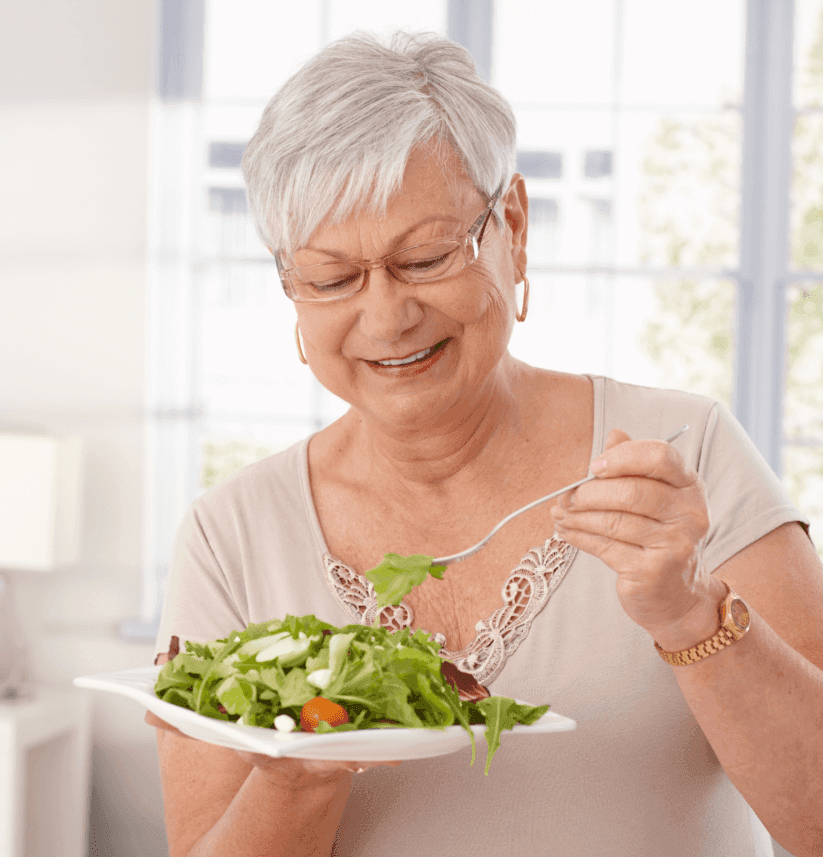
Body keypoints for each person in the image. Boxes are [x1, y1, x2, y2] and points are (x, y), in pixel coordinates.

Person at [146, 31, 823, 857]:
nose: (388, 316)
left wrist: (691, 612)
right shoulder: (231, 535)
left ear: (512, 225)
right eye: (332, 279)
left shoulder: (687, 455)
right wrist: (300, 760)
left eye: (427, 257)